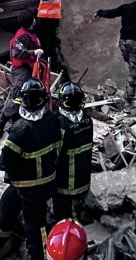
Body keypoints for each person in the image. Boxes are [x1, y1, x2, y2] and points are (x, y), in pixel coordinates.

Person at [0, 80, 63, 260]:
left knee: (35, 227)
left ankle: (40, 255)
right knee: (7, 202)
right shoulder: (52, 119)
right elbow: (59, 147)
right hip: (45, 180)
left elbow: (7, 162)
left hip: (31, 190)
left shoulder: (20, 131)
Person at [0, 15, 43, 138]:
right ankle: (1, 122)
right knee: (17, 94)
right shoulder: (24, 37)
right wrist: (34, 52)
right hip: (21, 68)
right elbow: (18, 53)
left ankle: (17, 122)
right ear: (32, 22)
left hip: (30, 66)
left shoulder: (29, 32)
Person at [53, 82, 93, 221]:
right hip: (84, 178)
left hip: (65, 181)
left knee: (62, 213)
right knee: (79, 205)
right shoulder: (88, 120)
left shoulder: (60, 124)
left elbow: (55, 154)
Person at [35, 0, 67, 73]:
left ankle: (51, 64)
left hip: (48, 21)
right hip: (47, 20)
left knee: (47, 43)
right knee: (48, 41)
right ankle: (50, 60)